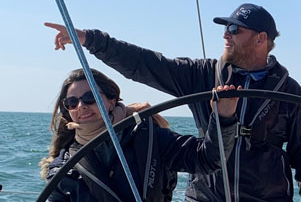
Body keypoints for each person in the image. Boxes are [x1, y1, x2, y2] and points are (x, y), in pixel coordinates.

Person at [45, 3, 301, 201]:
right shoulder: (202, 74)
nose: (225, 34)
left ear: (261, 38)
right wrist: (92, 40)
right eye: (225, 27)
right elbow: (147, 64)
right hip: (205, 196)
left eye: (235, 29)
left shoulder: (287, 90)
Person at [39, 68, 238, 201]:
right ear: (68, 111)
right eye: (72, 103)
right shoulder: (62, 169)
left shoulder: (148, 137)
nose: (81, 106)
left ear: (111, 100)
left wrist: (223, 117)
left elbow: (208, 159)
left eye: (90, 98)